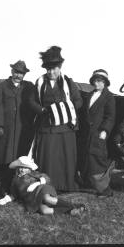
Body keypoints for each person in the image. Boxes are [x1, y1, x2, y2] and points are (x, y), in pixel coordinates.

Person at [28, 46, 83, 191]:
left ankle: (65, 185)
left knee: (65, 156)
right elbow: (31, 101)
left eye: (54, 69)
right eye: (48, 69)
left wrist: (62, 109)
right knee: (48, 156)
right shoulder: (40, 83)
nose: (51, 72)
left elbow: (78, 101)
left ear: (60, 67)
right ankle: (47, 184)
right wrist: (42, 110)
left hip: (65, 127)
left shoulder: (68, 83)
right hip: (46, 126)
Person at [0, 60, 36, 205]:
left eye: (21, 73)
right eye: (16, 72)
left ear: (24, 74)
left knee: (21, 158)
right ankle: (4, 188)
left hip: (24, 129)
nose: (18, 75)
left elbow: (33, 104)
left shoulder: (29, 87)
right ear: (12, 72)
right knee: (5, 157)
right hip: (7, 130)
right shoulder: (1, 87)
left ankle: (20, 188)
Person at [0, 156, 85, 215]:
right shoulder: (15, 181)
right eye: (20, 167)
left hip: (41, 189)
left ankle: (75, 205)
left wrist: (37, 183)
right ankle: (69, 211)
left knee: (47, 199)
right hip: (32, 199)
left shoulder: (33, 174)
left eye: (25, 168)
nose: (22, 169)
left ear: (29, 169)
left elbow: (46, 178)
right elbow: (14, 194)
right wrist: (5, 200)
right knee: (45, 211)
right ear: (17, 168)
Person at [77, 69, 116, 197]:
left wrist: (105, 130)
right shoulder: (90, 95)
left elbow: (110, 116)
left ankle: (105, 190)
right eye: (95, 81)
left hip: (98, 133)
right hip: (87, 133)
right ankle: (88, 184)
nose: (96, 83)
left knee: (97, 159)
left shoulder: (109, 97)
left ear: (105, 83)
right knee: (86, 158)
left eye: (99, 81)